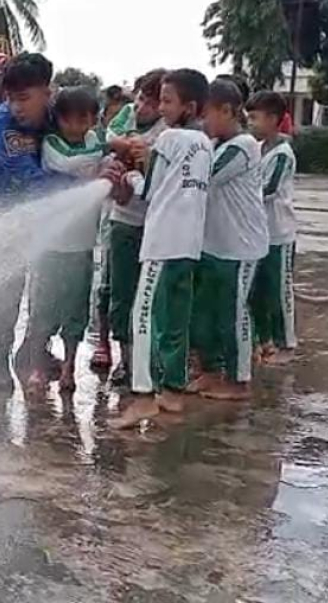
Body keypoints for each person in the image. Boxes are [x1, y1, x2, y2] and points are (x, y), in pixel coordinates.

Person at [112, 69, 213, 429]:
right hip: (189, 244)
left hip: (161, 242)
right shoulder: (206, 144)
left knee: (142, 316)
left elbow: (149, 191)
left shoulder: (169, 139)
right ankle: (172, 391)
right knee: (175, 320)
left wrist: (131, 175)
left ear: (190, 106)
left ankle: (142, 397)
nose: (162, 108)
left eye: (168, 101)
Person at [0, 53, 60, 394]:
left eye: (24, 98)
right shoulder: (2, 124)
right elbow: (29, 178)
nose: (16, 107)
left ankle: (33, 350)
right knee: (6, 289)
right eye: (10, 98)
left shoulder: (57, 117)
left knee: (52, 286)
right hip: (2, 212)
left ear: (48, 93)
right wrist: (83, 184)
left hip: (44, 213)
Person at [20, 87, 107, 395]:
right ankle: (37, 367)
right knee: (42, 310)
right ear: (58, 119)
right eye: (70, 119)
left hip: (82, 246)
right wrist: (103, 163)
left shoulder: (96, 141)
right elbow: (71, 162)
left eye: (85, 119)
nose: (77, 126)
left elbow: (96, 158)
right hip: (50, 245)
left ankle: (69, 368)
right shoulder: (52, 144)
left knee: (76, 311)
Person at [188, 79, 267, 401]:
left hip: (240, 246)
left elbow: (204, 176)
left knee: (233, 314)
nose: (202, 121)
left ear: (227, 111)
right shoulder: (217, 144)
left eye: (206, 113)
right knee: (205, 314)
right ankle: (210, 371)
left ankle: (238, 380)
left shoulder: (243, 147)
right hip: (213, 245)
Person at [95, 69, 168, 383]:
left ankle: (150, 360)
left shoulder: (170, 131)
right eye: (140, 99)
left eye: (152, 102)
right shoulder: (127, 116)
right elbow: (107, 138)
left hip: (155, 224)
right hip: (123, 220)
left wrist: (146, 158)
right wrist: (125, 148)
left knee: (151, 295)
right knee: (117, 292)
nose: (142, 107)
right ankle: (124, 358)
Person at [247, 91, 298, 364]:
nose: (250, 123)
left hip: (278, 233)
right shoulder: (257, 149)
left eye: (255, 118)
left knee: (279, 291)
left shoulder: (282, 154)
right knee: (257, 291)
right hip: (258, 232)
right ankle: (264, 340)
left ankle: (285, 343)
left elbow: (269, 188)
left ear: (273, 119)